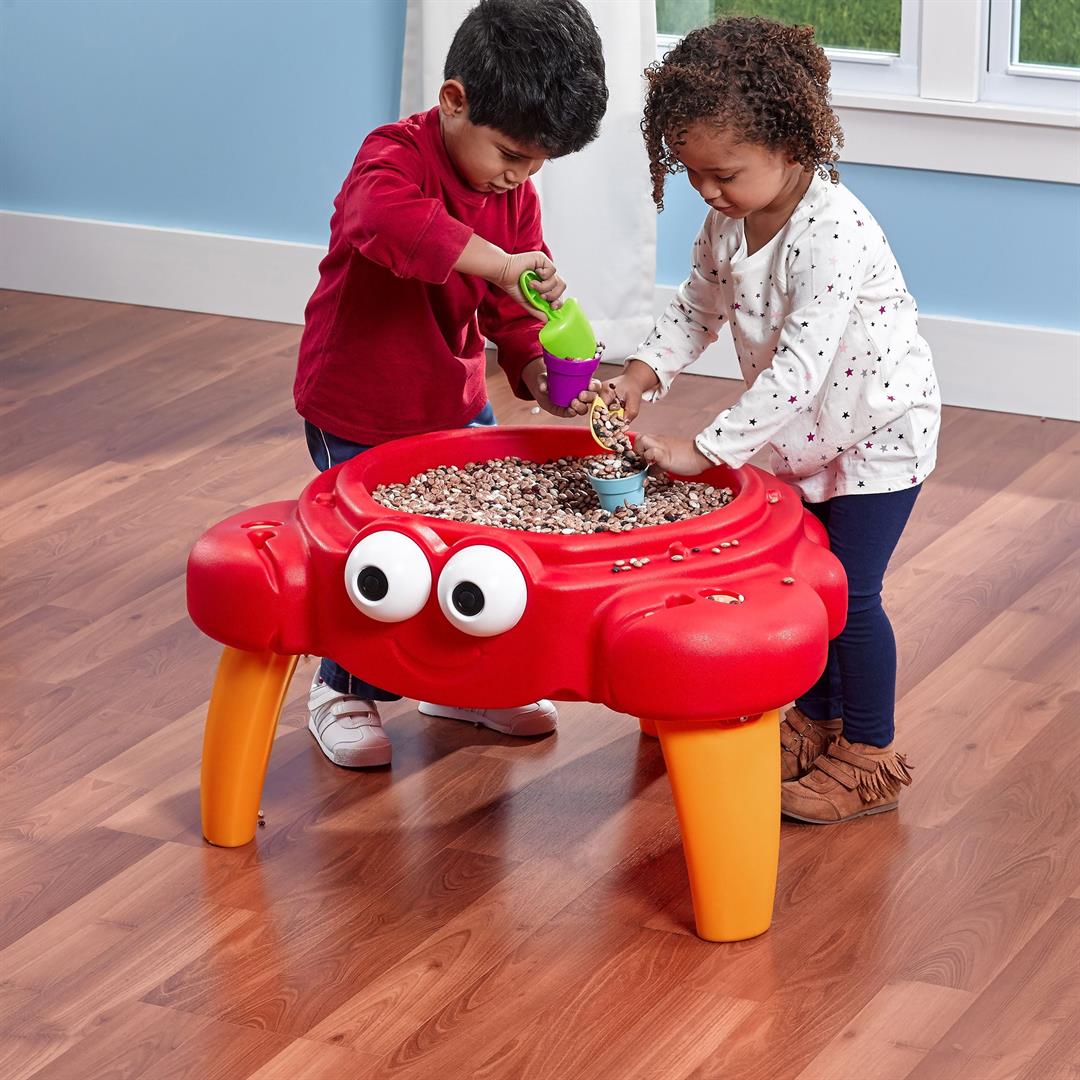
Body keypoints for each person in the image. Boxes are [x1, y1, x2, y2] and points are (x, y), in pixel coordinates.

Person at [606, 16, 940, 823]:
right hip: (807, 438)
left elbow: (800, 368)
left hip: (876, 436)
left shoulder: (832, 233)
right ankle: (818, 723)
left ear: (791, 146)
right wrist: (644, 373)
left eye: (725, 174)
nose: (710, 193)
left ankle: (869, 753)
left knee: (851, 597)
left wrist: (705, 448)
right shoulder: (729, 222)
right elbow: (696, 307)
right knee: (808, 587)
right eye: (693, 176)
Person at [294, 0, 608, 768]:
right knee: (381, 550)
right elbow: (387, 222)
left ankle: (459, 682)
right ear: (454, 101)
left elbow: (515, 308)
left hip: (453, 401)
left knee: (478, 542)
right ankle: (343, 688)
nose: (520, 176)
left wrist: (538, 366)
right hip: (358, 404)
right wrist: (499, 262)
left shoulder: (512, 196)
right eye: (510, 154)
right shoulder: (392, 159)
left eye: (537, 164)